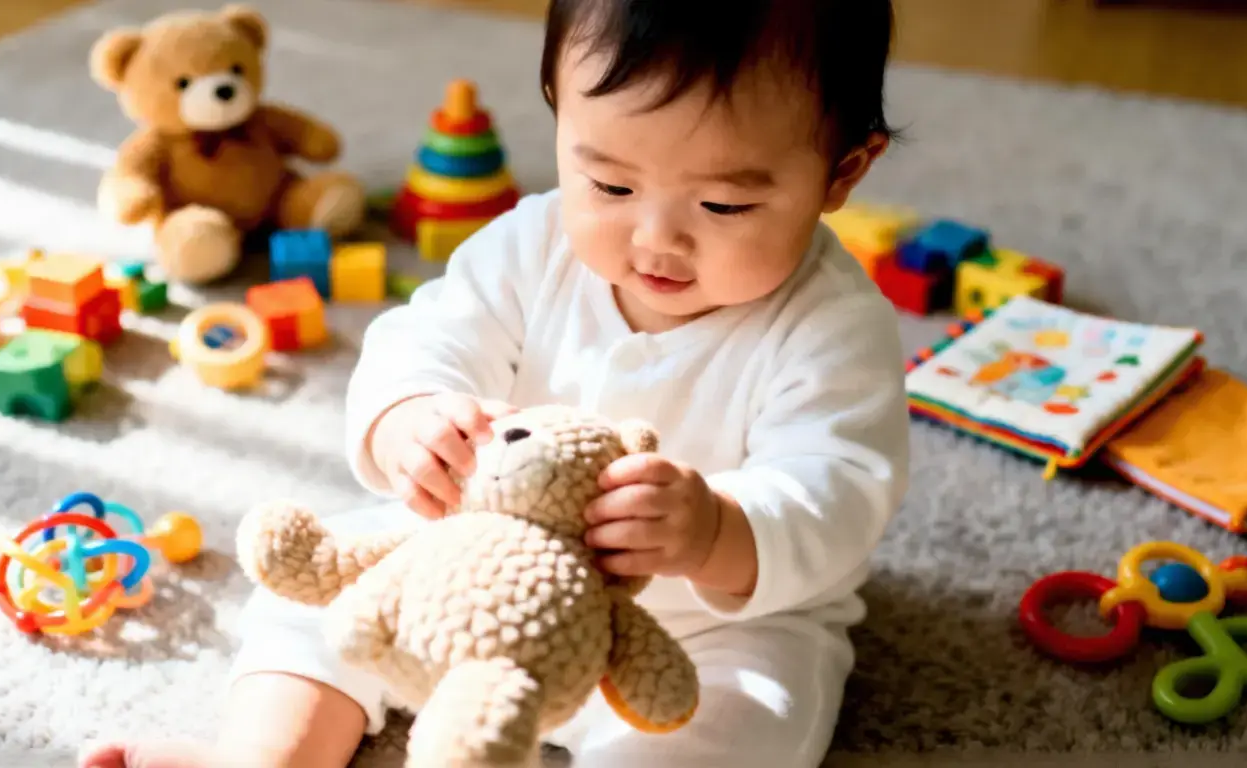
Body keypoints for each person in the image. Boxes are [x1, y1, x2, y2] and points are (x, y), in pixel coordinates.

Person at [80, 0, 907, 765]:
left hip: (700, 634)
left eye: (724, 206)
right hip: (471, 572)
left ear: (842, 172)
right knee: (313, 609)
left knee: (750, 716)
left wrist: (715, 530)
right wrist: (410, 418)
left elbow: (838, 495)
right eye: (611, 185)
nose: (657, 239)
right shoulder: (531, 244)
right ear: (560, 115)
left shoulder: (833, 328)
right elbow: (424, 338)